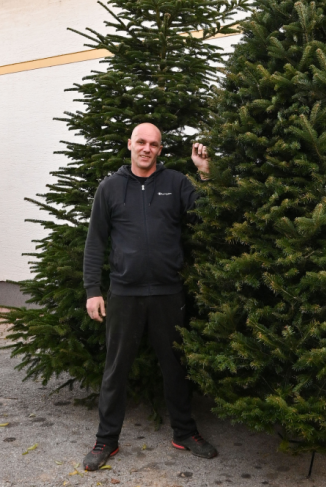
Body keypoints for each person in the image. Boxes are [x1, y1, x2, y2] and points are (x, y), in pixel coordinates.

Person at [81, 122, 215, 471]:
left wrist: (204, 175)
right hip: (125, 293)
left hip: (168, 292)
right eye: (141, 142)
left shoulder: (175, 183)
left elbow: (207, 215)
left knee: (175, 367)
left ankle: (184, 432)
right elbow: (95, 242)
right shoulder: (110, 187)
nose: (147, 148)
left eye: (154, 144)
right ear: (130, 144)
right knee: (116, 369)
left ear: (159, 149)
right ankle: (106, 440)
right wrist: (93, 291)